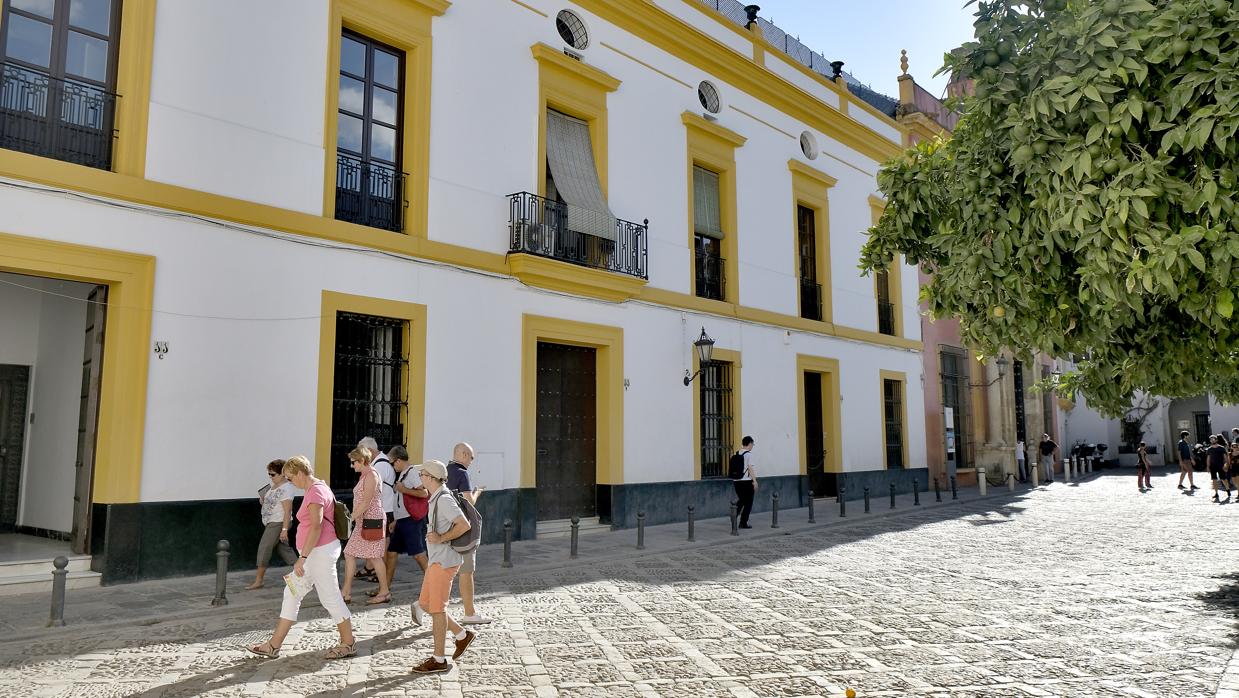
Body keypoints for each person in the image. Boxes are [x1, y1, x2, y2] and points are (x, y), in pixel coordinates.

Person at [247, 455, 355, 660]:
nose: (290, 482)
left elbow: (316, 526)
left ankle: (348, 642)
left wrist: (302, 558)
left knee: (330, 597)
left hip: (318, 554)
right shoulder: (317, 487)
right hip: (316, 553)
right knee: (292, 591)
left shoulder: (315, 492)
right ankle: (273, 645)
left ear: (300, 473)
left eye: (290, 477)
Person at [409, 459, 476, 674]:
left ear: (429, 478)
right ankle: (462, 635)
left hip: (444, 562)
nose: (420, 478)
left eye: (422, 475)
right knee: (427, 604)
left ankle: (439, 659)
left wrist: (441, 538)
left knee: (437, 609)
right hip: (437, 560)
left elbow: (464, 525)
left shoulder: (444, 500)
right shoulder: (435, 498)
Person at [340, 446, 391, 605]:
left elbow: (366, 502)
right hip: (364, 522)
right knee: (350, 553)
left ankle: (383, 592)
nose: (352, 465)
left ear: (362, 460)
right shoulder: (365, 475)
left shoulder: (372, 476)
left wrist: (349, 518)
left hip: (371, 522)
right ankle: (346, 592)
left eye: (354, 462)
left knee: (374, 557)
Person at [446, 442, 490, 625]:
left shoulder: (446, 470)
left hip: (445, 526)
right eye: (471, 457)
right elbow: (469, 502)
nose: (471, 461)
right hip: (461, 529)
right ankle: (470, 613)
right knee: (466, 572)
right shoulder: (462, 473)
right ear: (463, 454)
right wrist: (477, 492)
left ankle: (423, 603)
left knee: (444, 570)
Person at [383, 445, 429, 591]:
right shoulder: (404, 473)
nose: (392, 466)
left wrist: (404, 490)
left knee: (418, 554)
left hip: (411, 520)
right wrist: (396, 519)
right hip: (402, 521)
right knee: (391, 553)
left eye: (391, 463)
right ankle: (385, 588)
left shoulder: (413, 473)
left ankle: (434, 586)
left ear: (398, 461)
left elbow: (424, 493)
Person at [247, 459, 298, 590]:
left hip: (278, 522)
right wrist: (263, 500)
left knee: (264, 548)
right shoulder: (274, 486)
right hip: (272, 521)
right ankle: (305, 573)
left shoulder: (287, 488)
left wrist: (284, 529)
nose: (270, 477)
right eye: (269, 474)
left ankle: (259, 581)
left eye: (273, 474)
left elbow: (287, 511)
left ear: (283, 474)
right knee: (285, 550)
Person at [733, 436, 757, 529]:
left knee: (742, 500)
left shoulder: (737, 453)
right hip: (746, 481)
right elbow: (750, 468)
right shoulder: (749, 455)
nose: (752, 446)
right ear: (750, 443)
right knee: (748, 502)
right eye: (752, 444)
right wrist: (754, 481)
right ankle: (743, 522)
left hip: (736, 481)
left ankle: (734, 515)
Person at [1207, 435, 1230, 503]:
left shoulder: (1221, 448)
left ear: (1216, 440)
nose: (1212, 440)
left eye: (1213, 439)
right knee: (1214, 480)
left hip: (1221, 466)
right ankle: (1216, 493)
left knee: (1223, 479)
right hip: (1213, 467)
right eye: (1211, 439)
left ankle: (1227, 489)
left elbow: (1226, 458)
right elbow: (1208, 458)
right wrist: (1208, 466)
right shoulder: (1209, 449)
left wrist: (1227, 465)